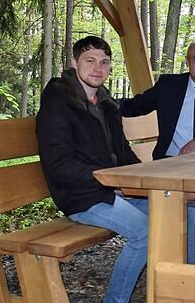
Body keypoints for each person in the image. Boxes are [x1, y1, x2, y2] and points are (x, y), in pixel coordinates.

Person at [35, 36, 145, 303]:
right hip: (82, 196)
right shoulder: (58, 102)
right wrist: (109, 183)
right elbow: (59, 164)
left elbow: (124, 152)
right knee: (144, 233)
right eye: (90, 60)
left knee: (181, 209)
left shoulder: (107, 104)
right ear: (74, 63)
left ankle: (183, 288)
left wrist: (146, 181)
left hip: (113, 188)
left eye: (104, 62)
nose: (98, 68)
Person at [118, 40, 195, 159]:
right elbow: (134, 106)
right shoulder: (168, 85)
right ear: (187, 61)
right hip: (169, 160)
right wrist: (103, 100)